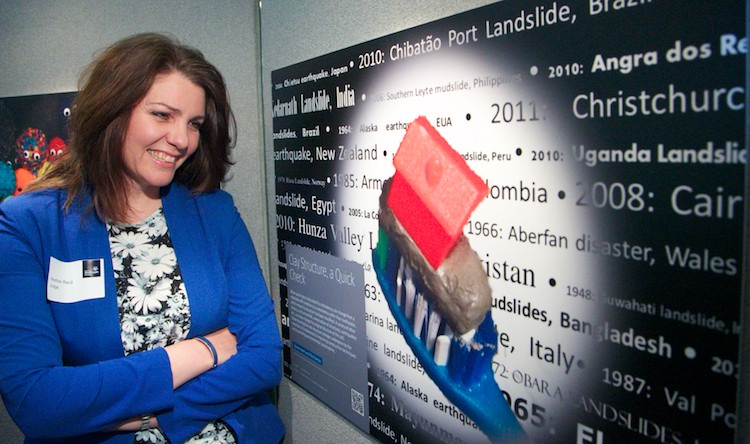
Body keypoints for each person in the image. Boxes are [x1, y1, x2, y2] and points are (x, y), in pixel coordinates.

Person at [0, 33, 285, 443]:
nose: (182, 139)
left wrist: (149, 416)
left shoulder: (214, 212)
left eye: (194, 124)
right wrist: (201, 351)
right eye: (162, 115)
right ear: (111, 111)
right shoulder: (26, 225)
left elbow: (263, 359)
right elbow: (38, 400)